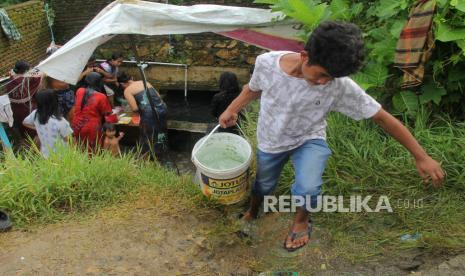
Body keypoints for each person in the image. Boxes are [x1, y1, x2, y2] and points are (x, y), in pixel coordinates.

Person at [218, 21, 445, 252]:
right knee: (264, 185)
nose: (325, 82)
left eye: (332, 78)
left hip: (310, 139)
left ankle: (301, 220)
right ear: (305, 56)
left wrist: (421, 156)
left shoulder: (339, 86)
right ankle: (253, 211)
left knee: (308, 188)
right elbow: (253, 88)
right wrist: (233, 109)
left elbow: (382, 117)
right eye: (322, 75)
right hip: (271, 139)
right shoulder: (267, 63)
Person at [117, 72, 168, 160]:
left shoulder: (127, 91)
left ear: (122, 84)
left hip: (149, 113)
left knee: (147, 134)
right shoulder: (145, 82)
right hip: (162, 108)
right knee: (160, 130)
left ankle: (149, 156)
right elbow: (159, 97)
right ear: (131, 78)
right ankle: (161, 152)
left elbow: (135, 109)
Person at [22, 89, 73, 158]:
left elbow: (25, 122)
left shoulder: (35, 114)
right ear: (55, 102)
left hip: (45, 154)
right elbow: (69, 139)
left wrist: (37, 127)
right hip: (61, 156)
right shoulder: (60, 121)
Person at [72, 72, 112, 152]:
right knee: (94, 150)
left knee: (80, 148)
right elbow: (107, 113)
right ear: (99, 82)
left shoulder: (79, 91)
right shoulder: (101, 96)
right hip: (92, 127)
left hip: (77, 124)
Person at [6, 60, 43, 140]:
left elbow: (12, 72)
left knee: (21, 124)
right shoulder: (28, 80)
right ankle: (35, 139)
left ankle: (25, 138)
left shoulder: (11, 77)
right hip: (27, 108)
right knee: (29, 123)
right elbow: (40, 75)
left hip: (15, 108)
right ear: (26, 71)